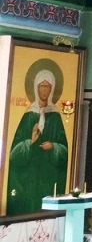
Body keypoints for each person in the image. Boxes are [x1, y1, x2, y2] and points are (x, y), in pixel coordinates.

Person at [5, 69, 69, 215]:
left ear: (52, 89)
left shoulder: (55, 116)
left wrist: (53, 146)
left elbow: (65, 150)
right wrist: (30, 142)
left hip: (48, 174)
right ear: (36, 88)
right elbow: (14, 153)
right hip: (28, 174)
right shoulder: (28, 115)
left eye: (47, 87)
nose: (44, 90)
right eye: (42, 86)